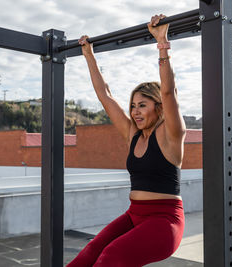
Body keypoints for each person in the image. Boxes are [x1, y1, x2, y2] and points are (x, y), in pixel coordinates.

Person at [67, 14, 186, 267]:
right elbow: (105, 96)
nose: (135, 112)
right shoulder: (133, 134)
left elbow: (168, 92)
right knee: (88, 254)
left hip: (165, 222)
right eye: (133, 106)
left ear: (159, 107)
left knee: (112, 257)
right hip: (135, 215)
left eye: (142, 105)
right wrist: (89, 55)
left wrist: (162, 42)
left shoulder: (171, 133)